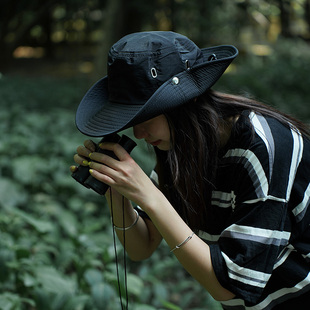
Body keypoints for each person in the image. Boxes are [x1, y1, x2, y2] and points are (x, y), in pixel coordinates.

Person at [70, 31, 310, 309]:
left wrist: (149, 195)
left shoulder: (262, 147)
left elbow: (230, 288)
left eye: (147, 115)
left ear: (188, 98)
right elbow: (141, 246)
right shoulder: (179, 149)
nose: (137, 132)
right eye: (132, 119)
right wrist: (116, 190)